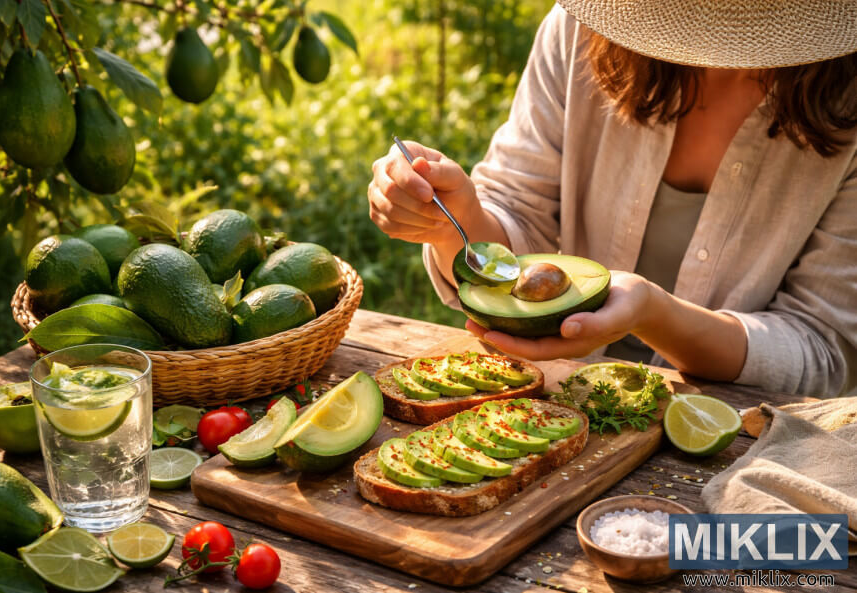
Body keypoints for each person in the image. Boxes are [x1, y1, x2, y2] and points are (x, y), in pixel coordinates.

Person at [367, 1, 857, 396]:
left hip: (735, 437)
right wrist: (454, 219)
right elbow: (515, 211)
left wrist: (656, 316)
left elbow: (823, 353)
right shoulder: (579, 32)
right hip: (553, 398)